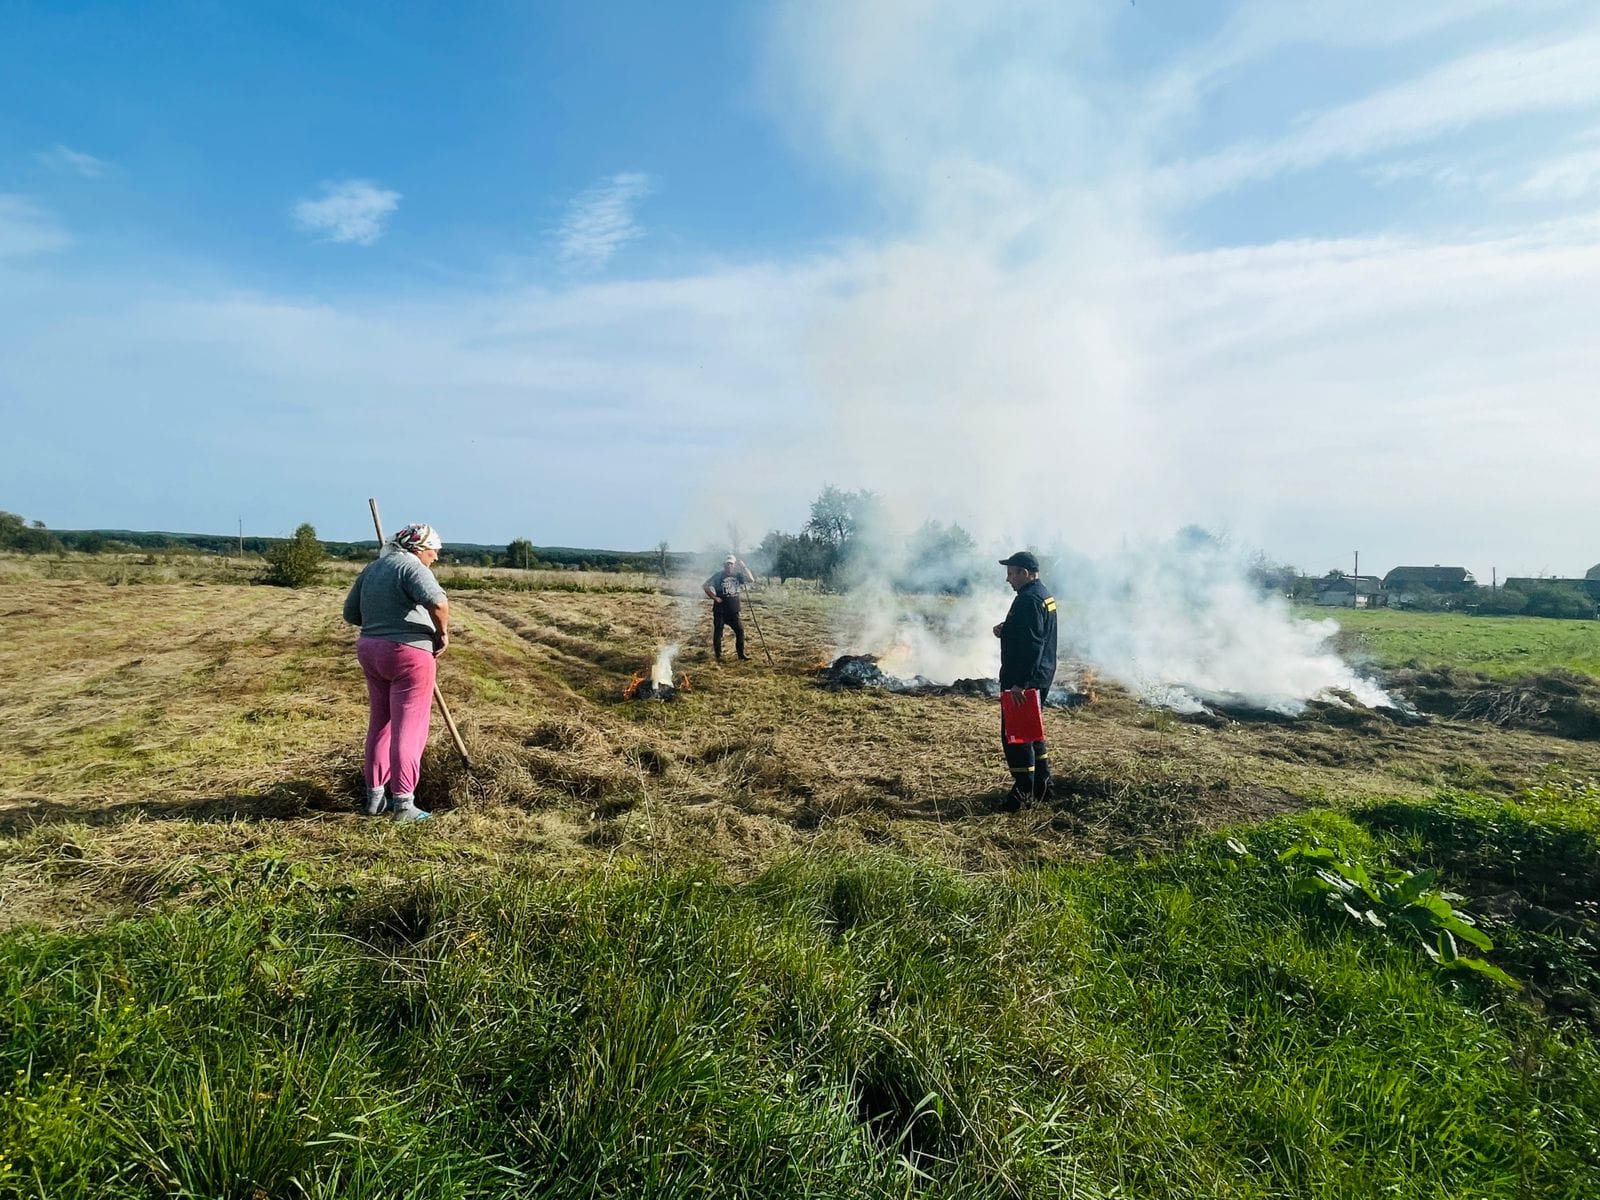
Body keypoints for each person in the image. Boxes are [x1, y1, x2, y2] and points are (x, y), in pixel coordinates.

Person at [342, 523, 450, 822]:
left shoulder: (374, 568)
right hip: (408, 655)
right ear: (418, 548)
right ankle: (404, 805)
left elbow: (351, 614)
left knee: (381, 723)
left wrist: (382, 616)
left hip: (370, 650)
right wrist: (442, 635)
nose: (436, 558)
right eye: (434, 551)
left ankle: (375, 799)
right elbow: (439, 603)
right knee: (409, 729)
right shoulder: (412, 567)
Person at [992, 550, 1058, 811]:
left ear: (1025, 573)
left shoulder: (1028, 600)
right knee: (1032, 733)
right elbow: (1034, 633)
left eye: (1011, 574)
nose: (1008, 580)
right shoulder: (1043, 595)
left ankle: (1022, 797)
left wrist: (1021, 682)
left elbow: (1032, 645)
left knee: (1017, 737)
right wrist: (1006, 629)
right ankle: (1043, 786)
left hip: (1024, 680)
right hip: (1040, 675)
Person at [703, 554, 758, 661]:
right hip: (720, 611)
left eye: (731, 564)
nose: (729, 566)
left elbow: (751, 580)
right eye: (727, 564)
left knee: (740, 631)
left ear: (734, 565)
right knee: (718, 633)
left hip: (733, 611)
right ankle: (719, 656)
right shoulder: (718, 576)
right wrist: (714, 598)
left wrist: (744, 567)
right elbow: (705, 585)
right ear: (724, 565)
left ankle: (741, 655)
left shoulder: (738, 575)